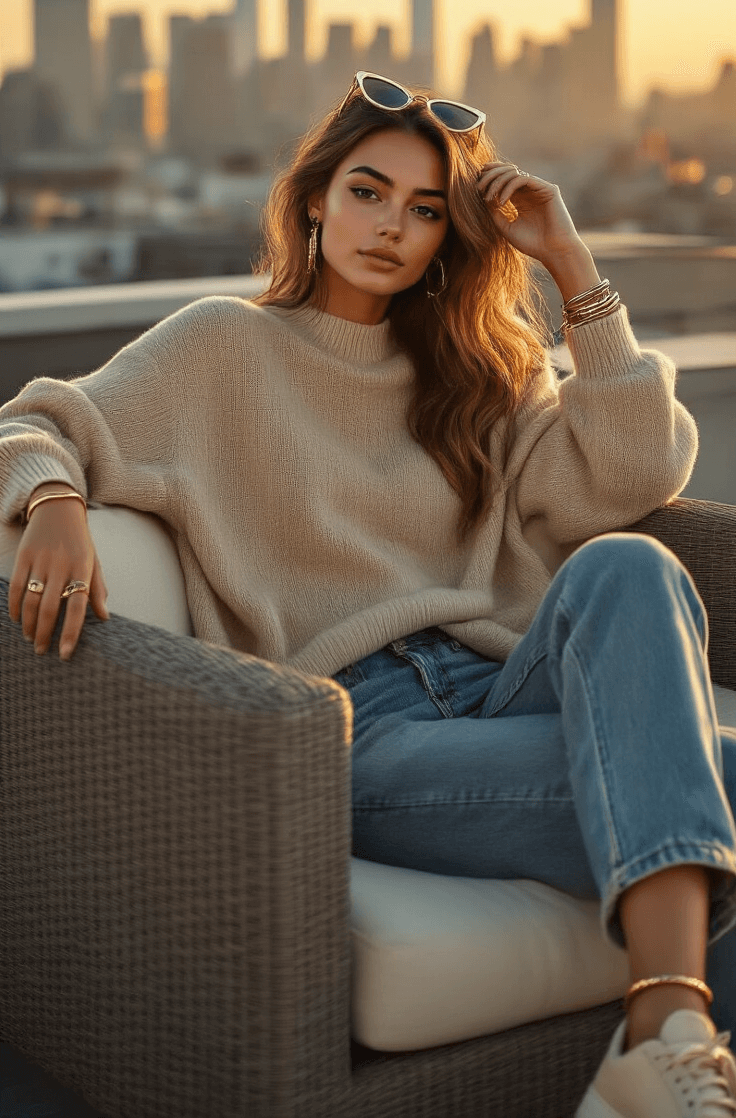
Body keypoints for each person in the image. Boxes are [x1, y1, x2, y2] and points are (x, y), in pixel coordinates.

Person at [1, 69, 736, 1117]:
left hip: (499, 688)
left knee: (630, 564)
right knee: (710, 792)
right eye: (367, 190)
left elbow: (633, 475)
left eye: (425, 210)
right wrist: (56, 502)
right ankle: (668, 1035)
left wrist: (571, 264)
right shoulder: (220, 345)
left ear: (451, 238)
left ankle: (661, 1046)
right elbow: (31, 421)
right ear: (313, 199)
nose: (391, 225)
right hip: (354, 731)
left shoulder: (482, 372)